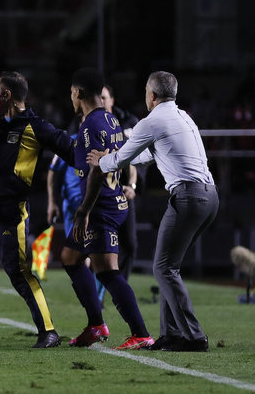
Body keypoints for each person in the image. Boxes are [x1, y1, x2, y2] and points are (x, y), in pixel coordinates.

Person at [87, 71, 218, 352]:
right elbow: (146, 156)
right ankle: (171, 335)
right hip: (210, 197)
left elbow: (122, 158)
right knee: (169, 267)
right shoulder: (183, 117)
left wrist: (102, 160)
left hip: (189, 196)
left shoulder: (153, 120)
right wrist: (119, 155)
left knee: (164, 267)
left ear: (152, 95)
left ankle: (193, 337)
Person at [0, 71, 73, 348]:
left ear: (7, 95)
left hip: (11, 213)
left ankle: (49, 332)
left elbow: (71, 150)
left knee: (18, 271)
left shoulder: (37, 127)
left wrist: (100, 158)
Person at [61, 68, 153, 350]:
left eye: (72, 92)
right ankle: (95, 325)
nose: (71, 98)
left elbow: (96, 172)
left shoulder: (90, 125)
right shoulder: (111, 119)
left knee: (107, 271)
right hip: (113, 201)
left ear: (78, 93)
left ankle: (140, 333)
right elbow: (124, 157)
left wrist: (83, 211)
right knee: (70, 257)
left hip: (100, 207)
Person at [101, 85, 140, 283]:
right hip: (99, 192)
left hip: (123, 192)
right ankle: (96, 295)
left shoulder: (128, 123)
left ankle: (119, 286)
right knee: (98, 247)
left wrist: (132, 186)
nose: (101, 101)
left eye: (104, 97)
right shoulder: (88, 123)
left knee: (130, 244)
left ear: (112, 100)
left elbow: (135, 160)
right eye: (98, 98)